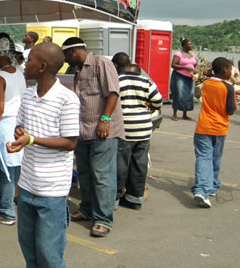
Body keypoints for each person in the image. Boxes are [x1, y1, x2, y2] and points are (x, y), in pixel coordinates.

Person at [7, 42, 80, 268]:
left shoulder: (66, 99)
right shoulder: (27, 94)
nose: (25, 64)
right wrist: (20, 137)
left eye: (29, 61)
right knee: (30, 252)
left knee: (49, 254)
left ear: (43, 67)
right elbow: (21, 125)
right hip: (28, 186)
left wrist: (33, 139)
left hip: (53, 191)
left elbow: (70, 142)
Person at [62, 37, 124, 238]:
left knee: (102, 175)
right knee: (85, 174)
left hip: (102, 130)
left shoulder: (101, 63)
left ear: (73, 51)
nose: (64, 60)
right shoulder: (78, 71)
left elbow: (113, 93)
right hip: (83, 130)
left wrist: (105, 119)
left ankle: (103, 218)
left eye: (65, 55)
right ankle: (87, 208)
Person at [112, 52, 163, 210]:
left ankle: (114, 198)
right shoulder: (145, 80)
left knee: (120, 165)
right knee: (139, 164)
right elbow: (158, 101)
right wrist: (147, 109)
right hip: (143, 129)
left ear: (116, 66)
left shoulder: (116, 80)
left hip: (124, 129)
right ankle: (135, 199)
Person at [191, 57, 238, 208]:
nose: (231, 71)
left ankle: (212, 185)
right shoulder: (228, 88)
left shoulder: (207, 82)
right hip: (220, 127)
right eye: (230, 68)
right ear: (224, 70)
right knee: (213, 158)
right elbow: (230, 111)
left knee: (205, 157)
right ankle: (203, 190)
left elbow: (208, 77)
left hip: (204, 126)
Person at [0, 38, 26, 226]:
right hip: (19, 123)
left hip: (5, 123)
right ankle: (10, 203)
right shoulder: (20, 73)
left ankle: (6, 210)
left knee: (5, 168)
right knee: (14, 167)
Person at [170, 38, 197, 121]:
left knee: (189, 95)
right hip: (179, 76)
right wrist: (185, 67)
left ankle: (185, 114)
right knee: (178, 94)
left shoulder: (193, 54)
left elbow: (195, 64)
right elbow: (173, 65)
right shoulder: (178, 54)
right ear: (184, 45)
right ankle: (174, 114)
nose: (191, 46)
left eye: (191, 44)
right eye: (189, 44)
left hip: (190, 77)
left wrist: (194, 70)